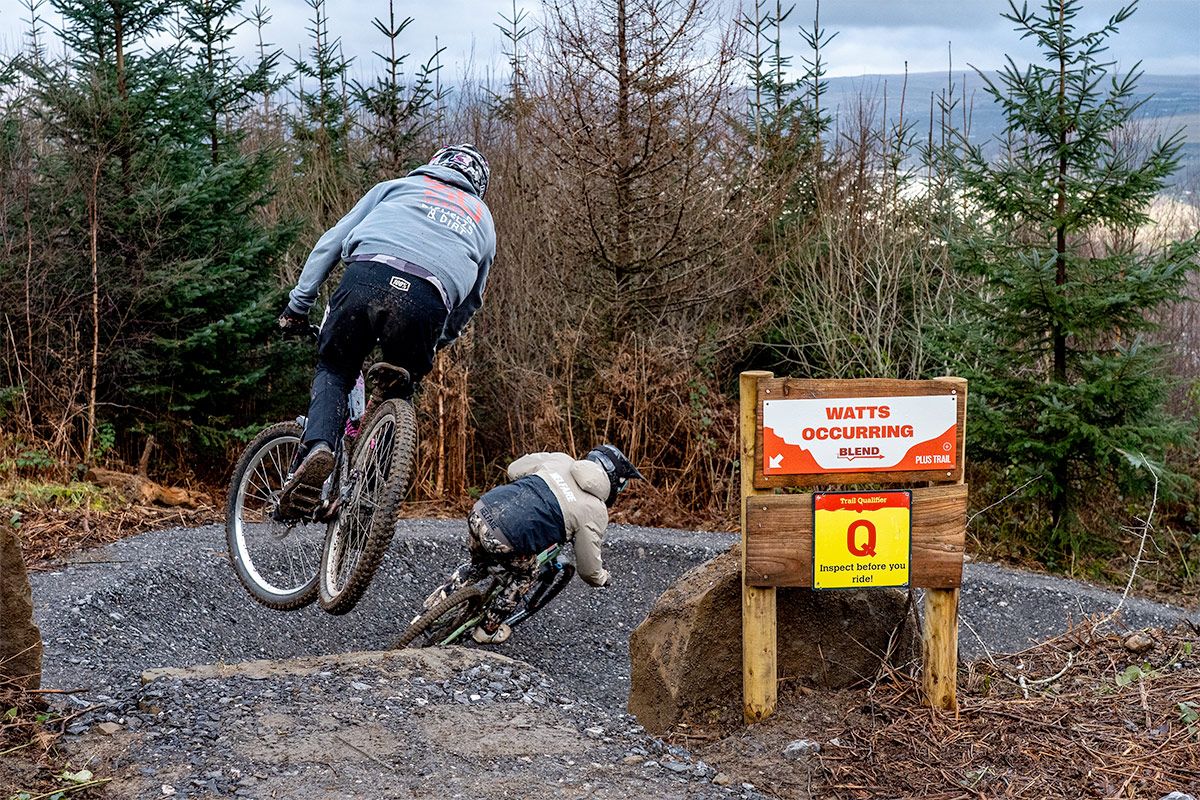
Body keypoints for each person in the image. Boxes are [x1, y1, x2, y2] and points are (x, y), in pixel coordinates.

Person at [276, 144, 495, 513]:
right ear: (479, 186)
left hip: (366, 278)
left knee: (336, 367)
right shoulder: (482, 219)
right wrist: (438, 340)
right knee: (400, 387)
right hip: (427, 302)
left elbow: (332, 242)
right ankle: (369, 498)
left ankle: (319, 448)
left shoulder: (396, 187)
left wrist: (298, 306)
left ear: (435, 165)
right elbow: (471, 301)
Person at [425, 444, 645, 644]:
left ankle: (429, 611)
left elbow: (513, 470)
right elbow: (588, 569)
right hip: (504, 539)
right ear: (615, 483)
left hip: (480, 512)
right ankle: (487, 630)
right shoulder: (595, 510)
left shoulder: (561, 460)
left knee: (478, 564)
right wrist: (602, 578)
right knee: (526, 575)